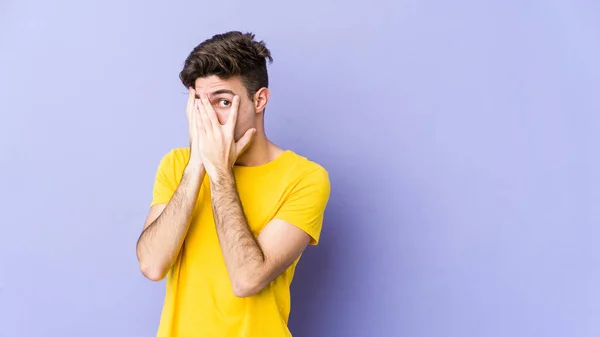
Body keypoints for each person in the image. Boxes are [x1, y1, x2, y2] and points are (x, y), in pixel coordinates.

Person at [135, 31, 331, 337]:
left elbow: (247, 279)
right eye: (200, 104)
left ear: (260, 100)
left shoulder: (304, 178)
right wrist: (197, 164)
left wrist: (220, 172)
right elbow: (152, 265)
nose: (209, 118)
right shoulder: (177, 165)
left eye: (223, 101)